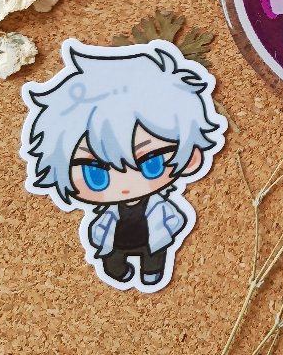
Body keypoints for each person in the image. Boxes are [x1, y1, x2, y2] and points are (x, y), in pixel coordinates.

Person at [21, 40, 226, 289]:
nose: (126, 184)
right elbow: (99, 228)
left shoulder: (159, 207)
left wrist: (171, 228)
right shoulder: (107, 214)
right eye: (96, 175)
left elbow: (174, 219)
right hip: (116, 245)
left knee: (154, 260)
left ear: (191, 158)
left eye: (151, 164)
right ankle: (118, 271)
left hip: (154, 243)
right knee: (114, 264)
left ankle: (151, 272)